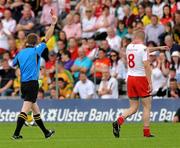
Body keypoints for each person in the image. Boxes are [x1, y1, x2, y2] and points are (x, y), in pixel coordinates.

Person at [112, 30, 168, 138]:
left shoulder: (129, 47)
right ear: (144, 38)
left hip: (130, 78)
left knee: (133, 107)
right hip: (140, 78)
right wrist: (150, 82)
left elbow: (146, 50)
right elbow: (147, 66)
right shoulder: (143, 49)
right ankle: (146, 133)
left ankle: (118, 121)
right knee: (147, 106)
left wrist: (158, 48)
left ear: (135, 37)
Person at [11, 10, 58, 140]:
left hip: (23, 83)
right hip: (32, 83)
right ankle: (16, 133)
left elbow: (13, 64)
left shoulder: (20, 53)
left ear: (26, 41)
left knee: (35, 109)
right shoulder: (36, 50)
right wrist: (53, 25)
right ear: (36, 41)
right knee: (25, 109)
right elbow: (47, 38)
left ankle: (46, 132)